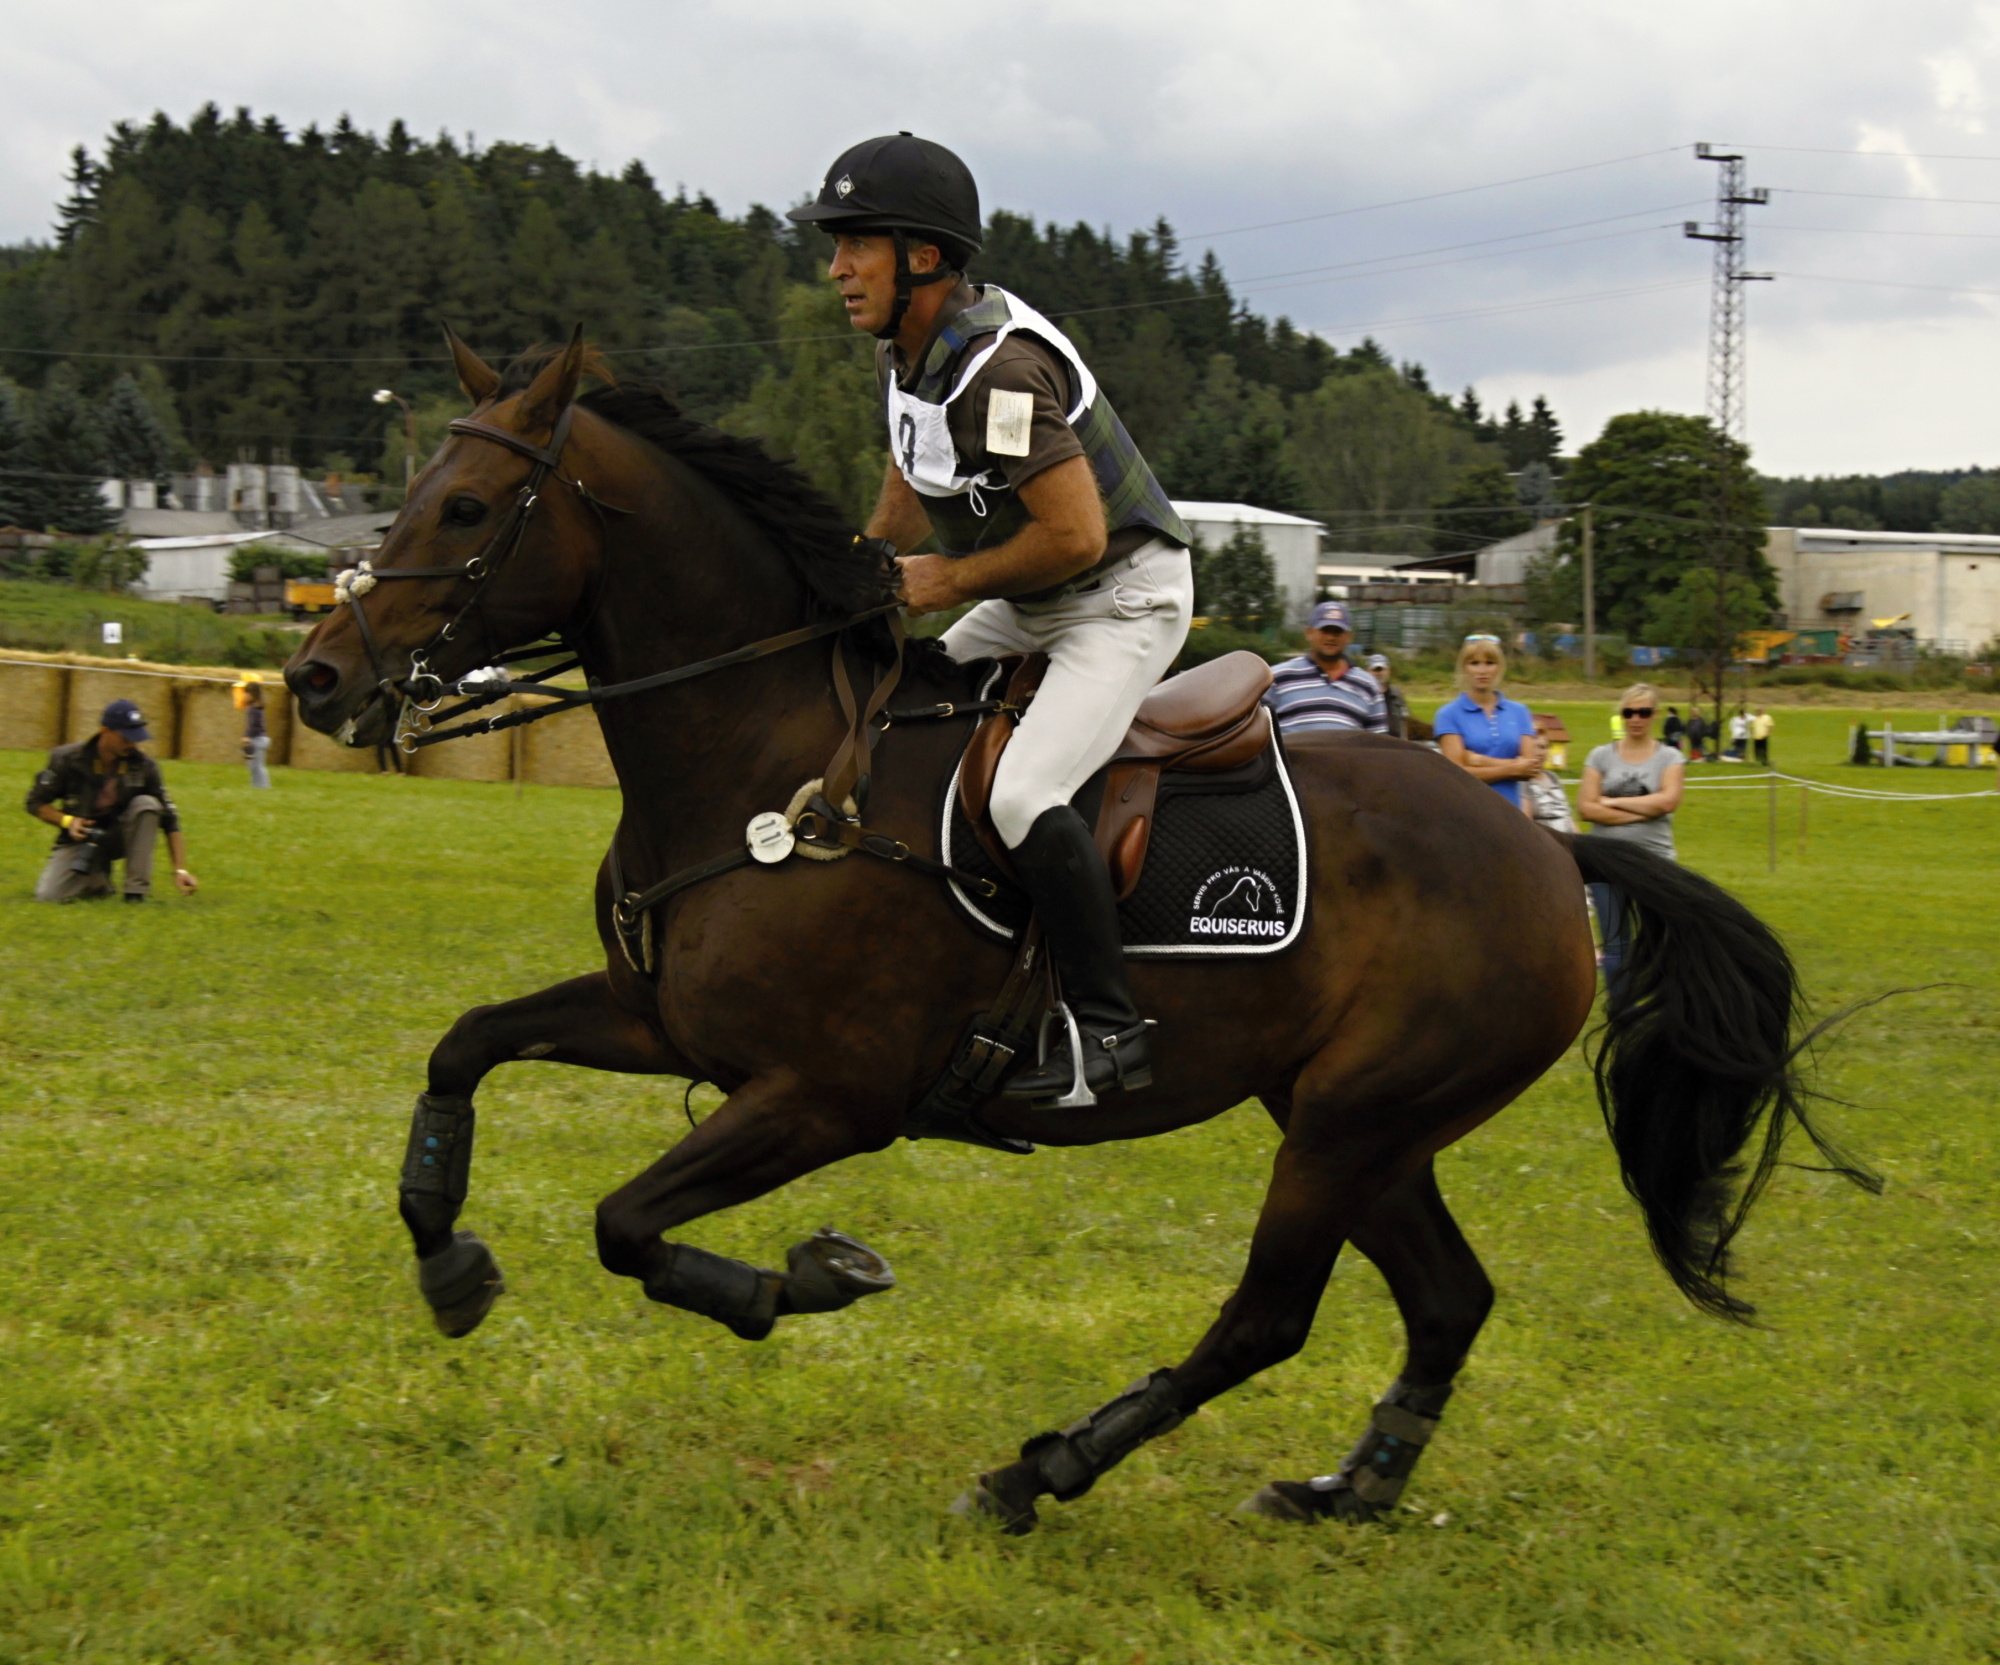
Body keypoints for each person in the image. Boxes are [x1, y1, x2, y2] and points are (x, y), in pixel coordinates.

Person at [791, 133, 1193, 1104]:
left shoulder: (999, 373)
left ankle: (1108, 1032)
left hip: (1118, 599)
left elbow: (1074, 537)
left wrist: (940, 583)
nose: (835, 266)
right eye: (833, 244)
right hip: (1027, 597)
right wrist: (858, 581)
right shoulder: (909, 354)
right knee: (900, 717)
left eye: (856, 244)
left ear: (922, 258)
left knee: (1020, 796)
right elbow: (907, 479)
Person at [26, 699, 199, 903]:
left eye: (136, 737)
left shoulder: (144, 766)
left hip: (122, 835)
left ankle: (135, 892)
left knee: (147, 805)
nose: (132, 744)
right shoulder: (66, 759)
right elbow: (35, 802)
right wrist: (67, 821)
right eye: (126, 737)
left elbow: (171, 820)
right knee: (49, 896)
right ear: (105, 731)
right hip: (82, 839)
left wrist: (180, 870)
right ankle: (97, 880)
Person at [1576, 683, 1685, 992]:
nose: (1636, 718)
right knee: (1616, 946)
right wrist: (1644, 810)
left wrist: (1609, 803)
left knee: (1661, 942)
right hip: (1605, 862)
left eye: (1644, 712)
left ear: (1655, 715)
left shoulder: (1670, 757)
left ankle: (1660, 1007)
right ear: (1621, 715)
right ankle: (1621, 1012)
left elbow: (1668, 802)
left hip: (1656, 862)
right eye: (1629, 712)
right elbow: (1586, 809)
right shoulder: (1600, 756)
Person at [1432, 635, 1540, 808]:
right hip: (1469, 810)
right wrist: (1512, 768)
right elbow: (1457, 773)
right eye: (1474, 663)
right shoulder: (1448, 714)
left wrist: (1480, 760)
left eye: (1490, 663)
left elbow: (1530, 768)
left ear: (1499, 667)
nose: (1482, 671)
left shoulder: (1519, 712)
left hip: (1510, 811)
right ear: (1464, 668)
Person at [1264, 602, 1388, 736]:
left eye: (1337, 632)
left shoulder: (1368, 685)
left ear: (1348, 637)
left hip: (1347, 757)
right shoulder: (1277, 677)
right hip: (1290, 756)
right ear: (1309, 633)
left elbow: (1378, 744)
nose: (1331, 637)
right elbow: (1256, 733)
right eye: (1325, 631)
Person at [235, 672, 272, 788]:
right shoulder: (257, 706)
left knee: (257, 766)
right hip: (261, 739)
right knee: (254, 766)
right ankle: (257, 787)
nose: (244, 696)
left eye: (246, 693)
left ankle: (264, 787)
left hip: (258, 739)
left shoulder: (253, 709)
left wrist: (247, 737)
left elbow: (254, 725)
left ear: (252, 694)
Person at [1364, 652, 1411, 740]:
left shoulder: (1397, 695)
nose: (1379, 673)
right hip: (1371, 746)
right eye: (1375, 670)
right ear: (1368, 671)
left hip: (1397, 746)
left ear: (1388, 671)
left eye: (1381, 669)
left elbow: (1404, 723)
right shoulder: (1362, 695)